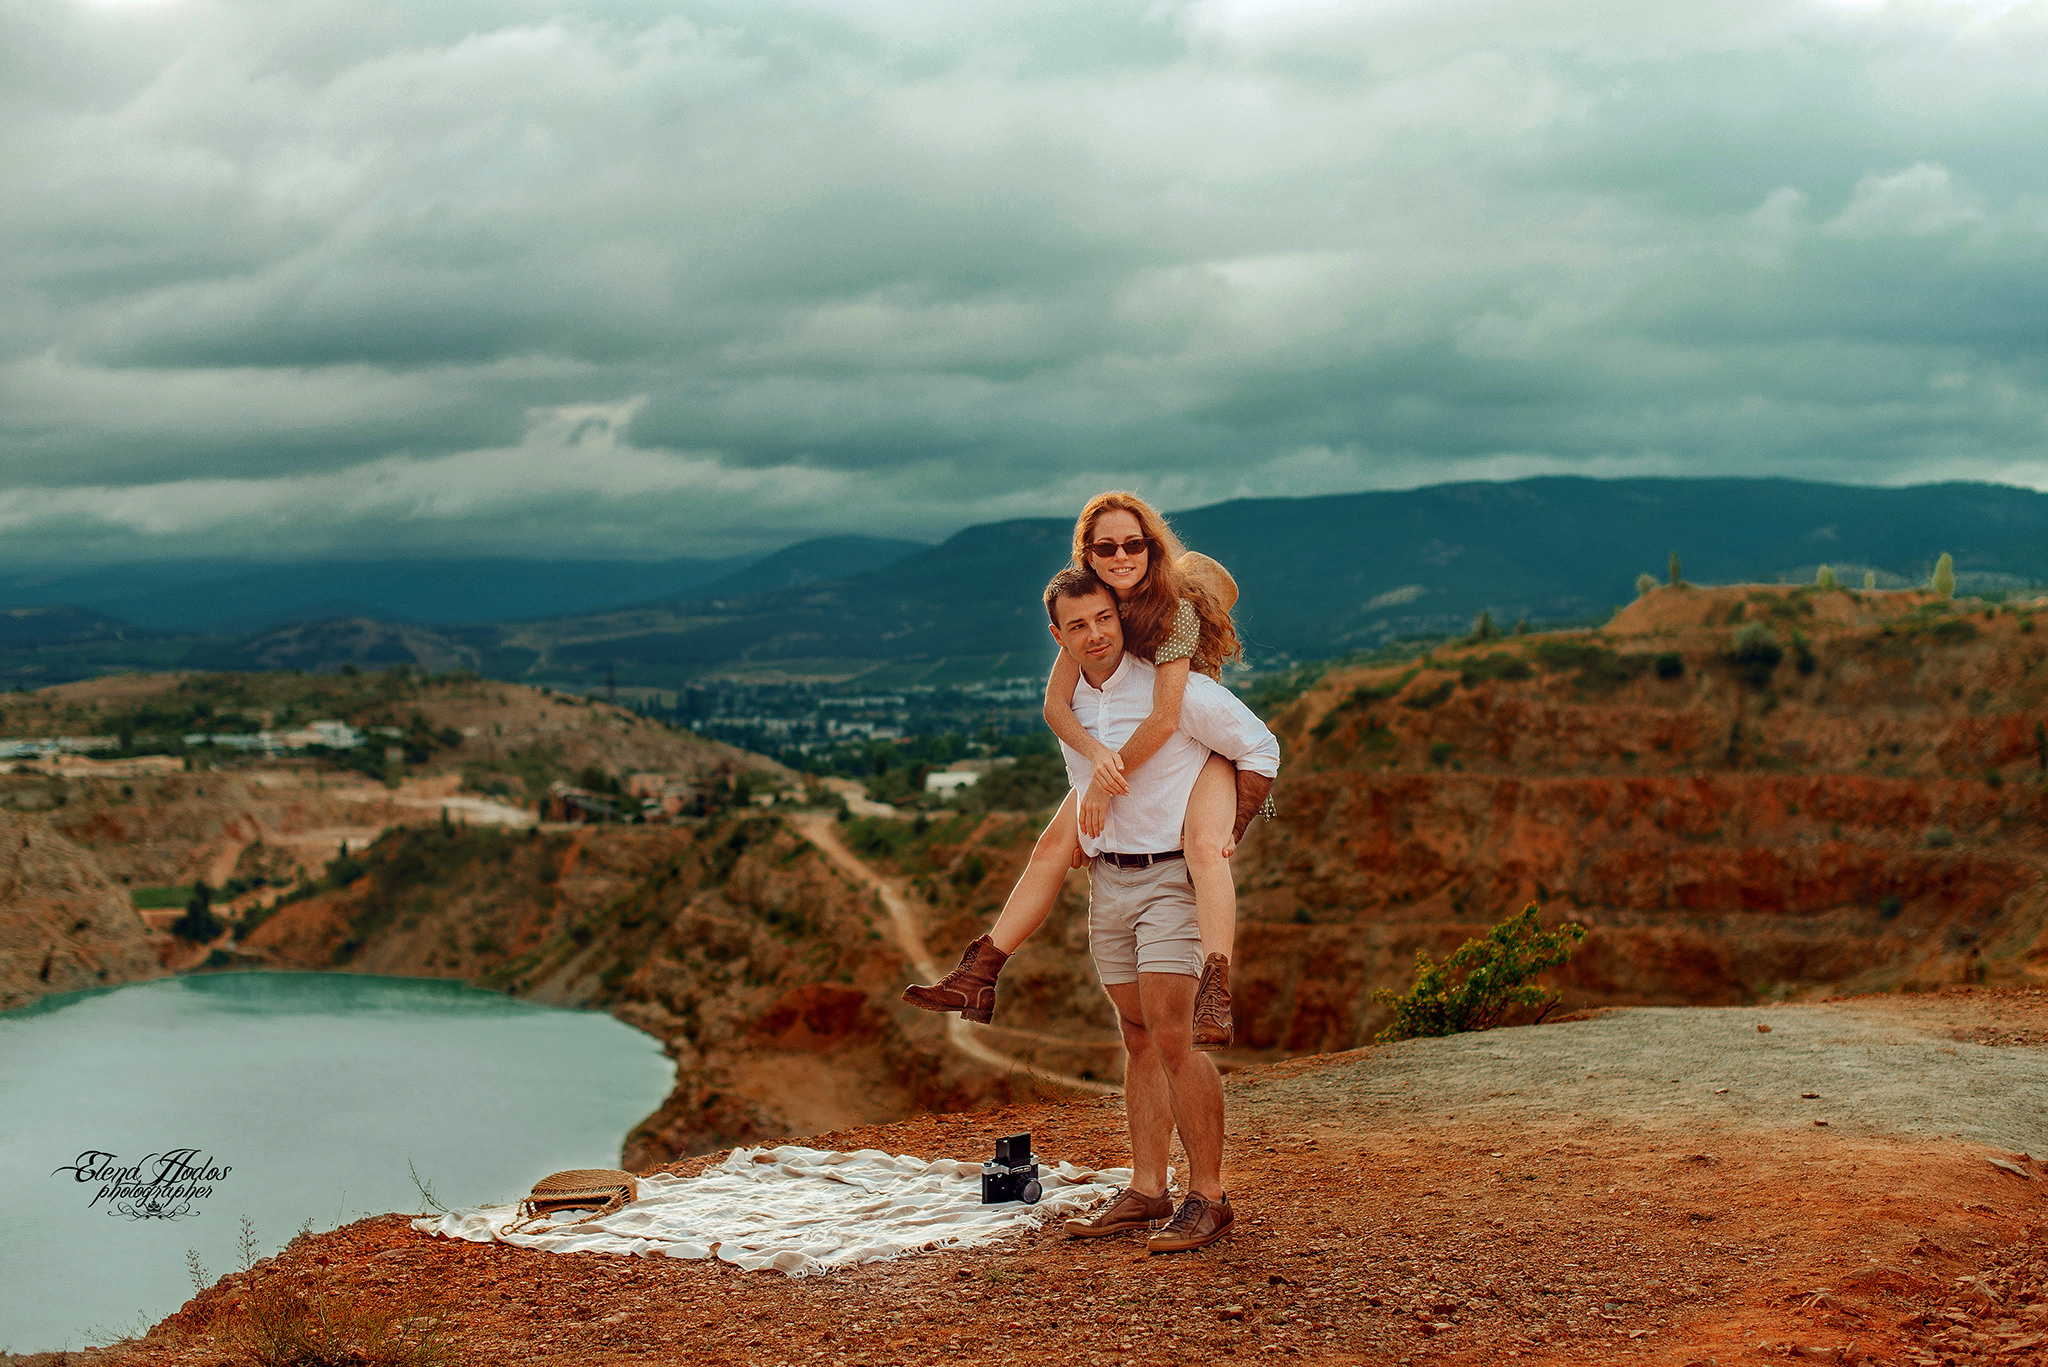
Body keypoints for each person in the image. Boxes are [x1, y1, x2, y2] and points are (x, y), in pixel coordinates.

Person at [902, 492, 1256, 1048]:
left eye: (1133, 544)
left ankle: (1215, 990)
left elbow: (1166, 719)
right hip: (1124, 757)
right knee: (1048, 847)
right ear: (1087, 554)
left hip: (1202, 748)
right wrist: (1094, 760)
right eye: (1107, 546)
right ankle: (981, 972)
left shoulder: (1172, 611)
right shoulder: (1092, 606)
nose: (1121, 555)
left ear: (1151, 549)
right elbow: (1055, 706)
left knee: (1203, 849)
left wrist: (1099, 785)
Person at [1024, 565, 1277, 1252]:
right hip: (1112, 880)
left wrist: (1235, 820)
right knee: (1138, 1036)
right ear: (1062, 634)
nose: (1095, 632)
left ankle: (1210, 1196)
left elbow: (1258, 747)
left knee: (1174, 1036)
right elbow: (1083, 765)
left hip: (1172, 879)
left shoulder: (1180, 686)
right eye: (1077, 625)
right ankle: (1146, 1187)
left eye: (1105, 617)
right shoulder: (1087, 688)